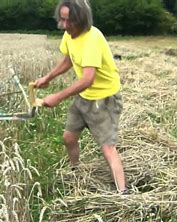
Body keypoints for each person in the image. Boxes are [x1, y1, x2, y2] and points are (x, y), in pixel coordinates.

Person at [34, 0, 127, 194]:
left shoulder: (92, 39)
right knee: (69, 138)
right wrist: (48, 78)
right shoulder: (70, 35)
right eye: (63, 20)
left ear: (82, 20)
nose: (65, 26)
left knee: (107, 148)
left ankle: (123, 193)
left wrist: (58, 96)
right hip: (84, 98)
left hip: (104, 99)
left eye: (70, 21)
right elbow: (68, 59)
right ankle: (76, 172)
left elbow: (87, 79)